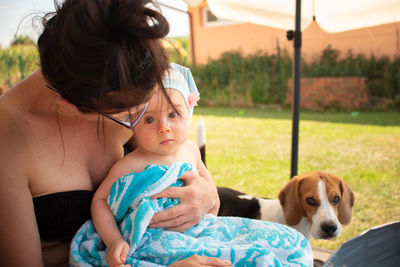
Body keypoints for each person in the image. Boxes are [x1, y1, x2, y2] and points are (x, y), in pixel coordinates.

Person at [0, 1, 222, 266]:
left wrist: (207, 195)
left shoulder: (123, 72)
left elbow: (184, 163)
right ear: (70, 105)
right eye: (132, 116)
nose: (141, 122)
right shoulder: (8, 141)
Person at [71, 64, 312, 267]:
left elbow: (210, 194)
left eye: (173, 115)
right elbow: (101, 201)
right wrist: (114, 241)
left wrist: (210, 221)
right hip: (156, 238)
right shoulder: (129, 164)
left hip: (201, 229)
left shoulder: (190, 151)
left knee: (284, 241)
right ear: (132, 123)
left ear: (188, 111)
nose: (163, 127)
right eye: (150, 119)